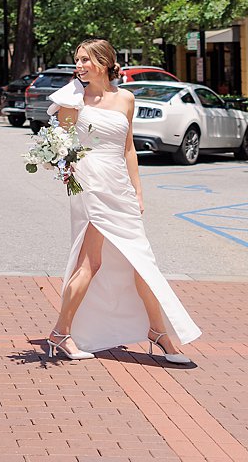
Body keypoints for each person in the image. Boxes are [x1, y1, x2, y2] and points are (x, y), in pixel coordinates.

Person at [43, 38, 200, 362]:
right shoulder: (72, 99)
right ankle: (61, 332)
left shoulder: (126, 98)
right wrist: (68, 173)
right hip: (90, 185)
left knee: (142, 261)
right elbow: (62, 147)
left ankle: (157, 331)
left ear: (103, 62)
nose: (79, 65)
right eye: (77, 59)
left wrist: (137, 190)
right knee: (91, 262)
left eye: (85, 59)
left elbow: (128, 148)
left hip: (120, 187)